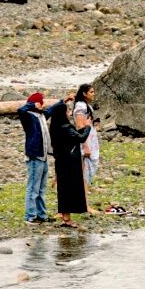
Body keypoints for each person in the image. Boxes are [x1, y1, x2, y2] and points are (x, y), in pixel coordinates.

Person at [47, 95, 91, 227]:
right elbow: (81, 138)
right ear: (62, 113)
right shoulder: (66, 127)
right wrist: (88, 127)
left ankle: (66, 217)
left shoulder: (55, 127)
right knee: (71, 189)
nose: (69, 113)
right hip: (70, 163)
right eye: (67, 111)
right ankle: (67, 218)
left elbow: (75, 136)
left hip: (61, 161)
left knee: (64, 189)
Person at [18, 92, 53, 224]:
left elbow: (51, 110)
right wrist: (32, 104)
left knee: (41, 188)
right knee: (33, 187)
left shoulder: (42, 116)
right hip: (34, 156)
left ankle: (41, 214)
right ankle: (30, 216)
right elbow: (20, 110)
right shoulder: (27, 117)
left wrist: (64, 100)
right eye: (41, 102)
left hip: (43, 156)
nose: (43, 104)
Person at [73, 83, 101, 207]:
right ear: (84, 93)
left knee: (86, 171)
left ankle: (83, 202)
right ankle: (84, 204)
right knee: (84, 172)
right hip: (85, 141)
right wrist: (85, 146)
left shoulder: (86, 106)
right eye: (91, 92)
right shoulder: (80, 106)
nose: (93, 94)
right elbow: (80, 126)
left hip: (90, 138)